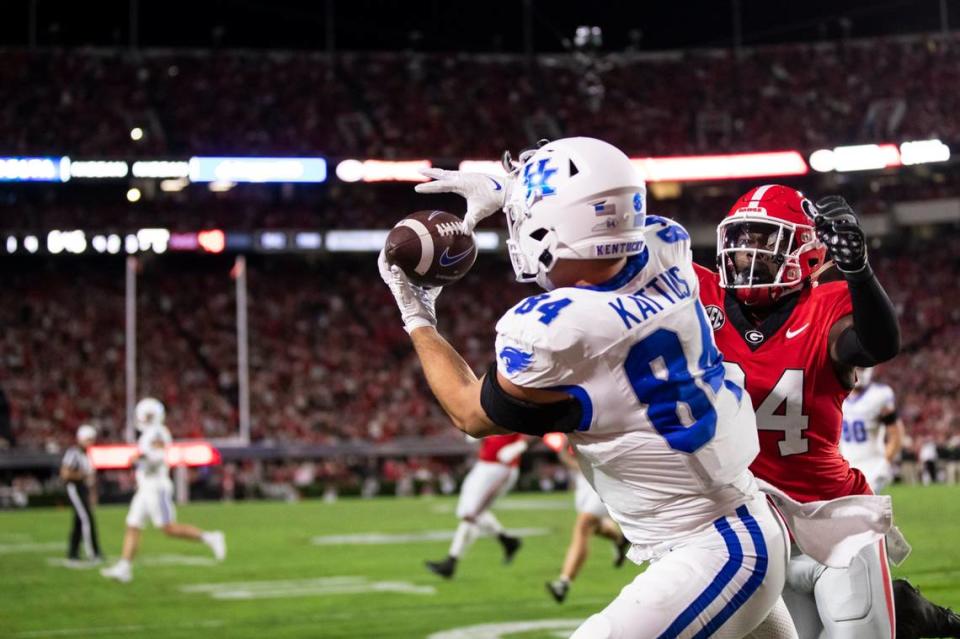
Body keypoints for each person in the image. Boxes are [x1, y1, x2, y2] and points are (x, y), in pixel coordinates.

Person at [384, 137, 798, 638]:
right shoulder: (666, 249)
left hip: (716, 549)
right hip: (738, 524)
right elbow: (606, 217)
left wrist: (416, 312)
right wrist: (512, 187)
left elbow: (470, 413)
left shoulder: (560, 333)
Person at [695, 185, 960, 639]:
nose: (746, 252)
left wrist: (859, 272)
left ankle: (907, 613)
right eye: (743, 238)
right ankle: (904, 609)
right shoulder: (700, 297)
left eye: (764, 240)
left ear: (809, 255)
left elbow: (878, 344)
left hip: (831, 518)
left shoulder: (827, 304)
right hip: (748, 525)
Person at [101, 398, 226, 583]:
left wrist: (139, 458)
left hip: (156, 486)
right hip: (145, 487)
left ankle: (211, 537)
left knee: (168, 528)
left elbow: (158, 456)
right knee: (133, 525)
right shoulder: (149, 433)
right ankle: (124, 568)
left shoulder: (158, 432)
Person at [425, 433, 527, 579]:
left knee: (470, 513)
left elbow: (539, 429)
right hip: (486, 463)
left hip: (501, 466)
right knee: (469, 511)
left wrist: (520, 446)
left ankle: (451, 561)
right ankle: (507, 541)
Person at [546, 438, 629, 604]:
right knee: (595, 527)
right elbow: (566, 455)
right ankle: (620, 540)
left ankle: (563, 582)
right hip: (583, 481)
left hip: (605, 479)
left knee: (583, 525)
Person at [839, 367, 905, 493]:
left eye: (862, 368)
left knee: (861, 508)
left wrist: (885, 461)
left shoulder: (879, 395)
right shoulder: (837, 393)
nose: (859, 372)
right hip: (846, 464)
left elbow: (896, 434)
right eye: (857, 367)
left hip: (872, 464)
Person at [61, 424, 102, 563]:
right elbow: (65, 473)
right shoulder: (74, 453)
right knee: (87, 519)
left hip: (83, 489)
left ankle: (73, 552)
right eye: (88, 439)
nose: (91, 442)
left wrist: (92, 493)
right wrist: (82, 475)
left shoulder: (86, 455)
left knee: (79, 521)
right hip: (75, 488)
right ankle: (93, 553)